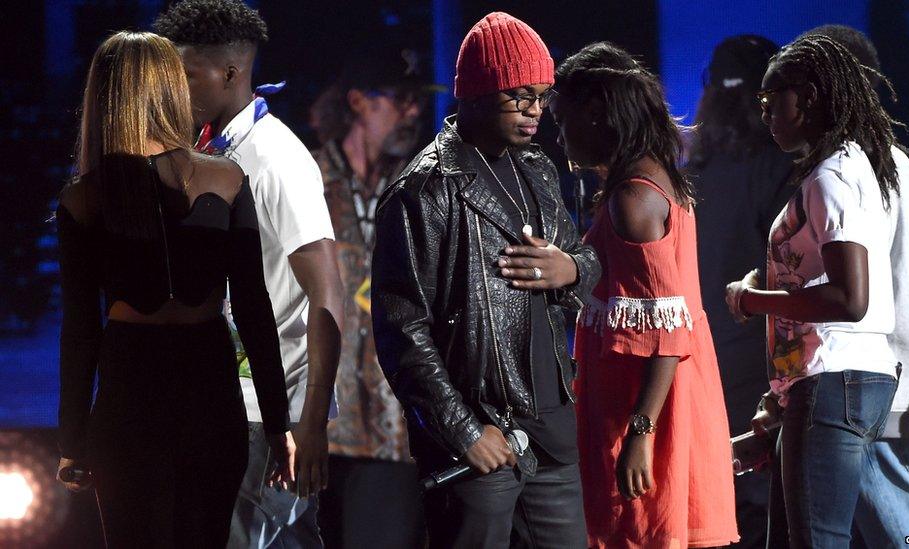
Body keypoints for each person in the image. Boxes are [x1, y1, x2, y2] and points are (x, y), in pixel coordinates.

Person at [371, 12, 600, 548]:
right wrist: (462, 430)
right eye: (519, 95)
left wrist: (572, 271)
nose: (535, 111)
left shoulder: (538, 168)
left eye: (542, 96)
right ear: (476, 92)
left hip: (551, 430)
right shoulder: (426, 189)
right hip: (482, 440)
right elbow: (400, 328)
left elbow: (583, 261)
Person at [54, 31, 291, 547]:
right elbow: (253, 308)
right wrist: (279, 423)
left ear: (106, 95)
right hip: (205, 384)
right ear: (167, 88)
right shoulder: (225, 179)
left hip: (130, 390)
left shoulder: (82, 198)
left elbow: (80, 328)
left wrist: (71, 440)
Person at [154, 1, 344, 547]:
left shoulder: (276, 159)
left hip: (267, 416)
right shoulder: (213, 147)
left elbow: (328, 296)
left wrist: (309, 424)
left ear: (231, 73)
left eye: (186, 74)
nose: (174, 88)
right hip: (236, 405)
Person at [552, 41, 738, 549]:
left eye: (564, 119)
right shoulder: (647, 181)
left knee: (642, 530)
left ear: (595, 114)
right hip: (646, 399)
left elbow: (669, 330)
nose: (560, 135)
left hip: (647, 406)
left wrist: (640, 432)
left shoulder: (634, 198)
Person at [726, 34, 902, 548]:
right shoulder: (845, 169)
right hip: (826, 382)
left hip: (833, 381)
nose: (764, 113)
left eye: (770, 99)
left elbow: (850, 298)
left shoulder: (833, 177)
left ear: (806, 98)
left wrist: (751, 301)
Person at [799, 25, 909, 548]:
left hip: (878, 393)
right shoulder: (889, 164)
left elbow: (856, 292)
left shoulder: (855, 169)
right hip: (891, 391)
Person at [310, 49, 428, 549]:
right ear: (358, 101)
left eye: (417, 101)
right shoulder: (304, 181)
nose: (413, 112)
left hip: (395, 433)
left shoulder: (420, 188)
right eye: (400, 99)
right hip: (314, 427)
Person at [684, 35, 793, 548]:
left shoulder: (690, 172)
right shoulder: (782, 169)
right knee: (766, 507)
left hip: (698, 357)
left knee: (713, 503)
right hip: (761, 358)